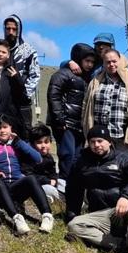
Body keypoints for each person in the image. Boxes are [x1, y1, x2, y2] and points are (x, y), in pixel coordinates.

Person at [64, 125, 128, 253]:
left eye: (100, 141)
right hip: (100, 216)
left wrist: (127, 196)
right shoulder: (81, 162)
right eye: (92, 142)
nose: (96, 145)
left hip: (123, 211)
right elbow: (73, 189)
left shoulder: (124, 158)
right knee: (74, 226)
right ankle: (121, 245)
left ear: (109, 142)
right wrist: (72, 213)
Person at [0, 118, 54, 235]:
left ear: (11, 128)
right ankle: (17, 219)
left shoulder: (17, 144)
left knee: (31, 179)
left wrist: (18, 142)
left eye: (5, 127)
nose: (2, 131)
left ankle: (47, 216)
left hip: (15, 186)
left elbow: (38, 158)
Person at [82, 48, 128, 150]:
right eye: (108, 62)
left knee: (121, 165)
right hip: (98, 139)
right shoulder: (95, 82)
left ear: (120, 61)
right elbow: (85, 105)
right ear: (104, 63)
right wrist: (86, 129)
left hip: (122, 139)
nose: (111, 64)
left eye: (114, 61)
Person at [47, 43, 95, 185]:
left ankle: (74, 187)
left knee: (76, 157)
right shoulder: (63, 74)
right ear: (79, 59)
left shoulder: (87, 78)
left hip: (79, 124)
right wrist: (60, 120)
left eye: (92, 62)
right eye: (87, 61)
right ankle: (64, 187)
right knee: (67, 155)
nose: (90, 65)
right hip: (65, 124)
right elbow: (53, 96)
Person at [2, 15, 40, 126]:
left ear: (19, 30)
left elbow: (35, 75)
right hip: (2, 102)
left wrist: (25, 94)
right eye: (8, 29)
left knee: (24, 136)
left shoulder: (28, 50)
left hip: (22, 104)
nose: (11, 32)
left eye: (14, 29)